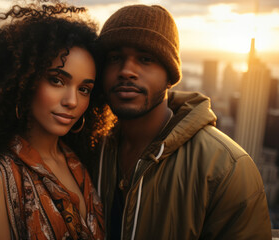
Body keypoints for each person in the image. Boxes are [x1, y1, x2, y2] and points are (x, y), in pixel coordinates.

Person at [94, 4, 272, 239]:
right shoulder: (91, 147)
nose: (127, 70)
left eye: (146, 59)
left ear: (170, 76)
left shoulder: (226, 168)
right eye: (115, 58)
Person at [0, 1, 105, 239]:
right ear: (23, 81)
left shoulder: (82, 162)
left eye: (84, 89)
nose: (72, 101)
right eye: (57, 80)